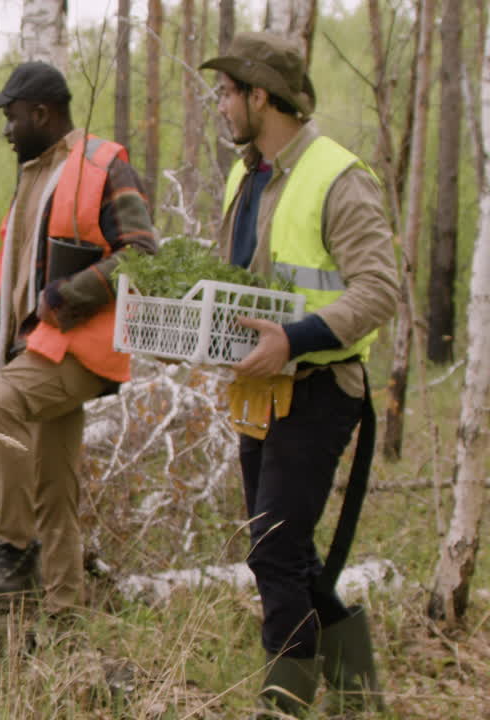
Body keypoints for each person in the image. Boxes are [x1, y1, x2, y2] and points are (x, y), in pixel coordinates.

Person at [201, 32, 400, 716]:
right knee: (289, 550)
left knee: (274, 553)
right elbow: (239, 282)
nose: (220, 105)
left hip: (319, 386)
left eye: (227, 93)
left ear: (261, 96)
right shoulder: (246, 174)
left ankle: (281, 704)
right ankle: (360, 697)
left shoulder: (338, 177)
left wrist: (293, 340)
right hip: (259, 388)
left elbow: (379, 291)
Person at [0, 61, 156, 619]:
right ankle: (65, 621)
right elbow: (19, 279)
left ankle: (13, 547)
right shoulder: (35, 175)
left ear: (41, 113)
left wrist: (68, 297)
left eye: (10, 117)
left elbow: (145, 255)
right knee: (56, 492)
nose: (5, 130)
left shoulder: (104, 165)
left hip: (82, 348)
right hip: (45, 346)